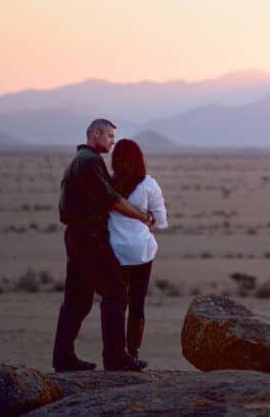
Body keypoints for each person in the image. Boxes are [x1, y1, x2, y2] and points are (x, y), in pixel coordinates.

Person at [52, 119, 154, 372]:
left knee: (77, 300)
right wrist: (142, 216)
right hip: (89, 238)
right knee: (116, 292)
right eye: (109, 136)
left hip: (76, 237)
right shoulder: (90, 161)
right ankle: (115, 357)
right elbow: (112, 200)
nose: (112, 141)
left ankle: (63, 358)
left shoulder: (79, 160)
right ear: (95, 133)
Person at [108, 138, 169, 370]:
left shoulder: (108, 183)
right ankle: (132, 354)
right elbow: (161, 220)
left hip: (115, 250)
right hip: (141, 252)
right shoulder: (149, 184)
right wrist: (148, 218)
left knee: (116, 303)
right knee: (137, 303)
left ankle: (116, 353)